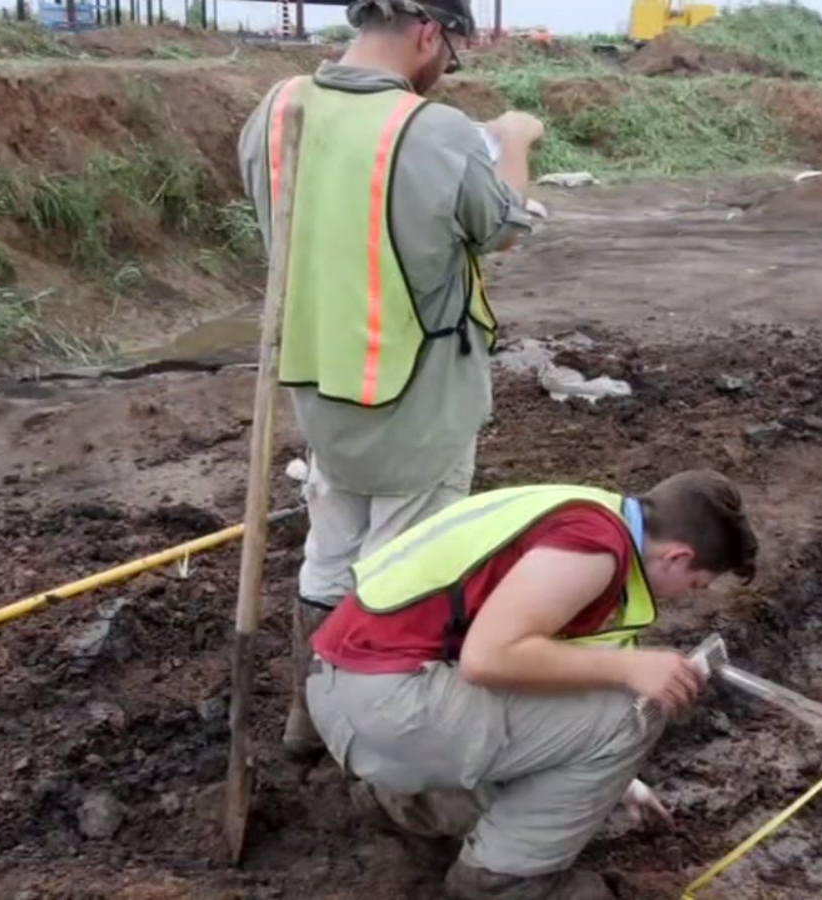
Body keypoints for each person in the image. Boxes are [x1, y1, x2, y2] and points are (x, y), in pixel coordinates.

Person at [235, 0, 548, 758]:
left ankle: (306, 716)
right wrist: (513, 140)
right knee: (407, 568)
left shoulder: (276, 110)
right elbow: (502, 226)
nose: (444, 75)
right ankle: (374, 737)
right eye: (449, 56)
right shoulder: (432, 130)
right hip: (420, 395)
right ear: (429, 34)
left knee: (332, 549)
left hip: (319, 382)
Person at [305, 470, 760, 900]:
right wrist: (631, 672)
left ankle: (410, 807)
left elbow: (531, 670)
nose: (688, 596)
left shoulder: (582, 513)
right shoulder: (594, 547)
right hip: (383, 705)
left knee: (590, 711)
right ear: (677, 556)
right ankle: (500, 881)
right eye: (696, 584)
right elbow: (489, 658)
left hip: (351, 688)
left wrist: (613, 778)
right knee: (631, 711)